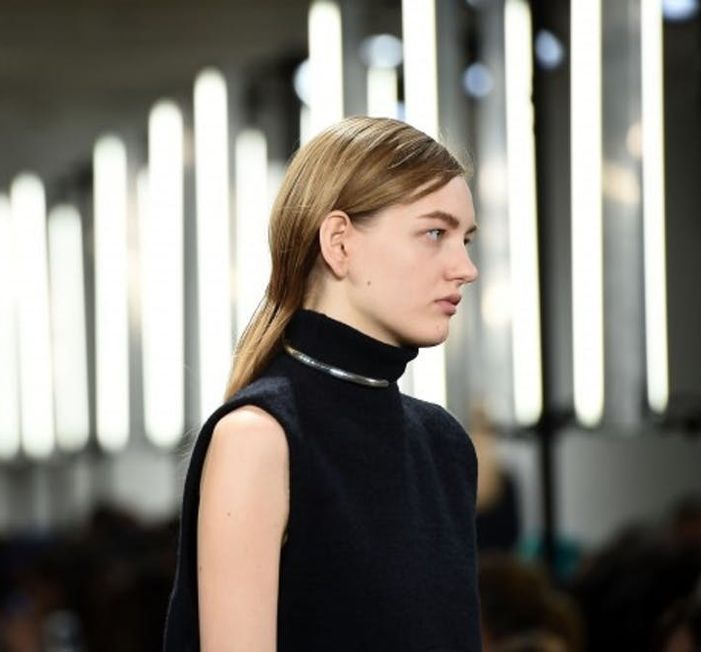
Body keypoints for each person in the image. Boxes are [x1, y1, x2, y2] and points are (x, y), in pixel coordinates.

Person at [162, 116, 481, 650]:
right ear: (339, 243)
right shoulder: (259, 438)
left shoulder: (444, 444)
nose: (465, 267)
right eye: (435, 233)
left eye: (466, 239)